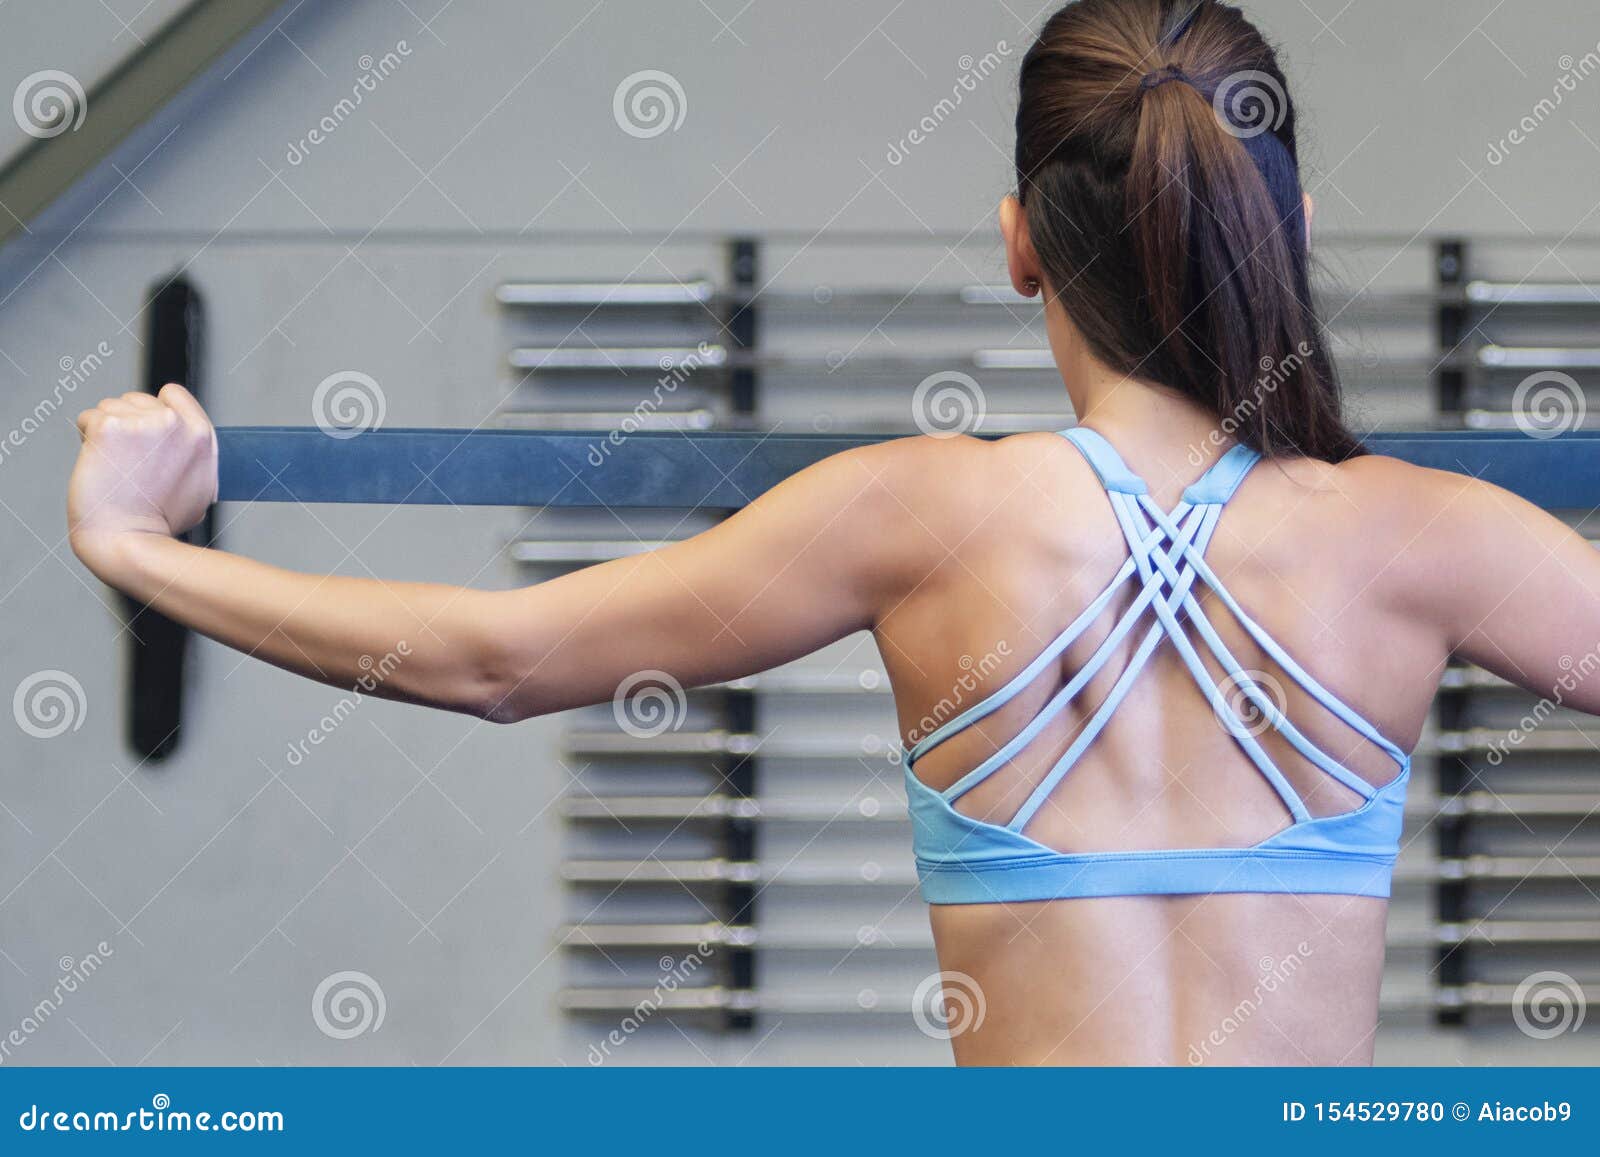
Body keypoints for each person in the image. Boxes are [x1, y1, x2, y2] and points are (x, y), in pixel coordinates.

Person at [67, 0, 1600, 1065]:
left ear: (1017, 245)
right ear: (1300, 229)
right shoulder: (1421, 541)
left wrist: (143, 547)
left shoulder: (920, 514)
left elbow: (493, 660)